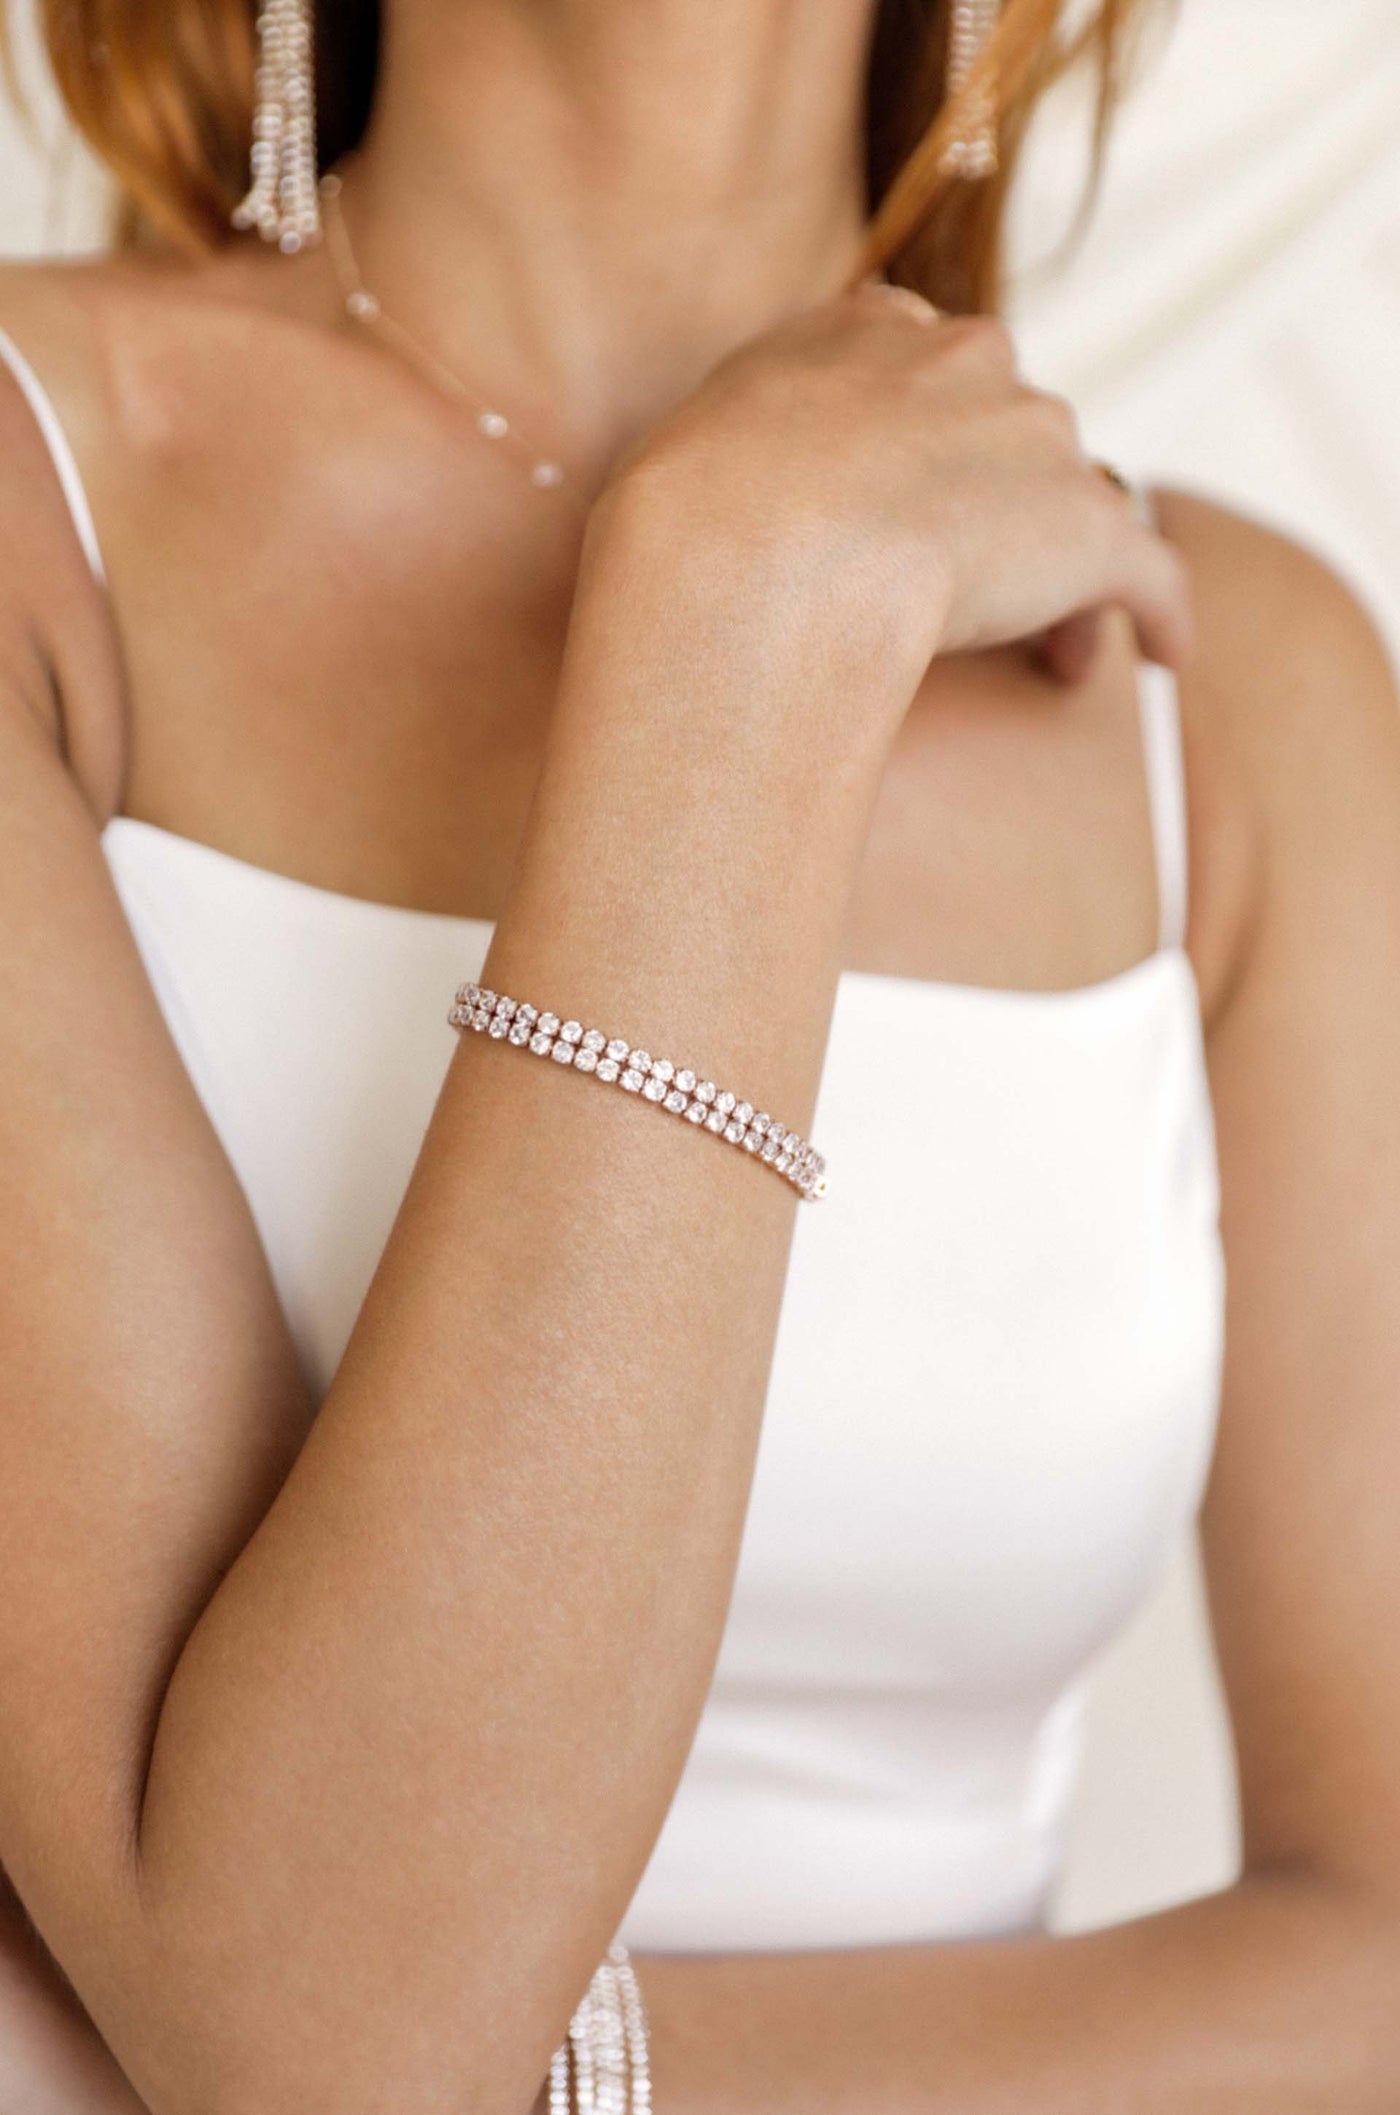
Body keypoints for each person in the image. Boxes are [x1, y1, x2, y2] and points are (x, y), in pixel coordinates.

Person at [1, 1, 1399, 2110]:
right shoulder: (46, 513)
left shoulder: (1234, 682)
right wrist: (734, 620)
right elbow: (307, 2025)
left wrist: (579, 2074)